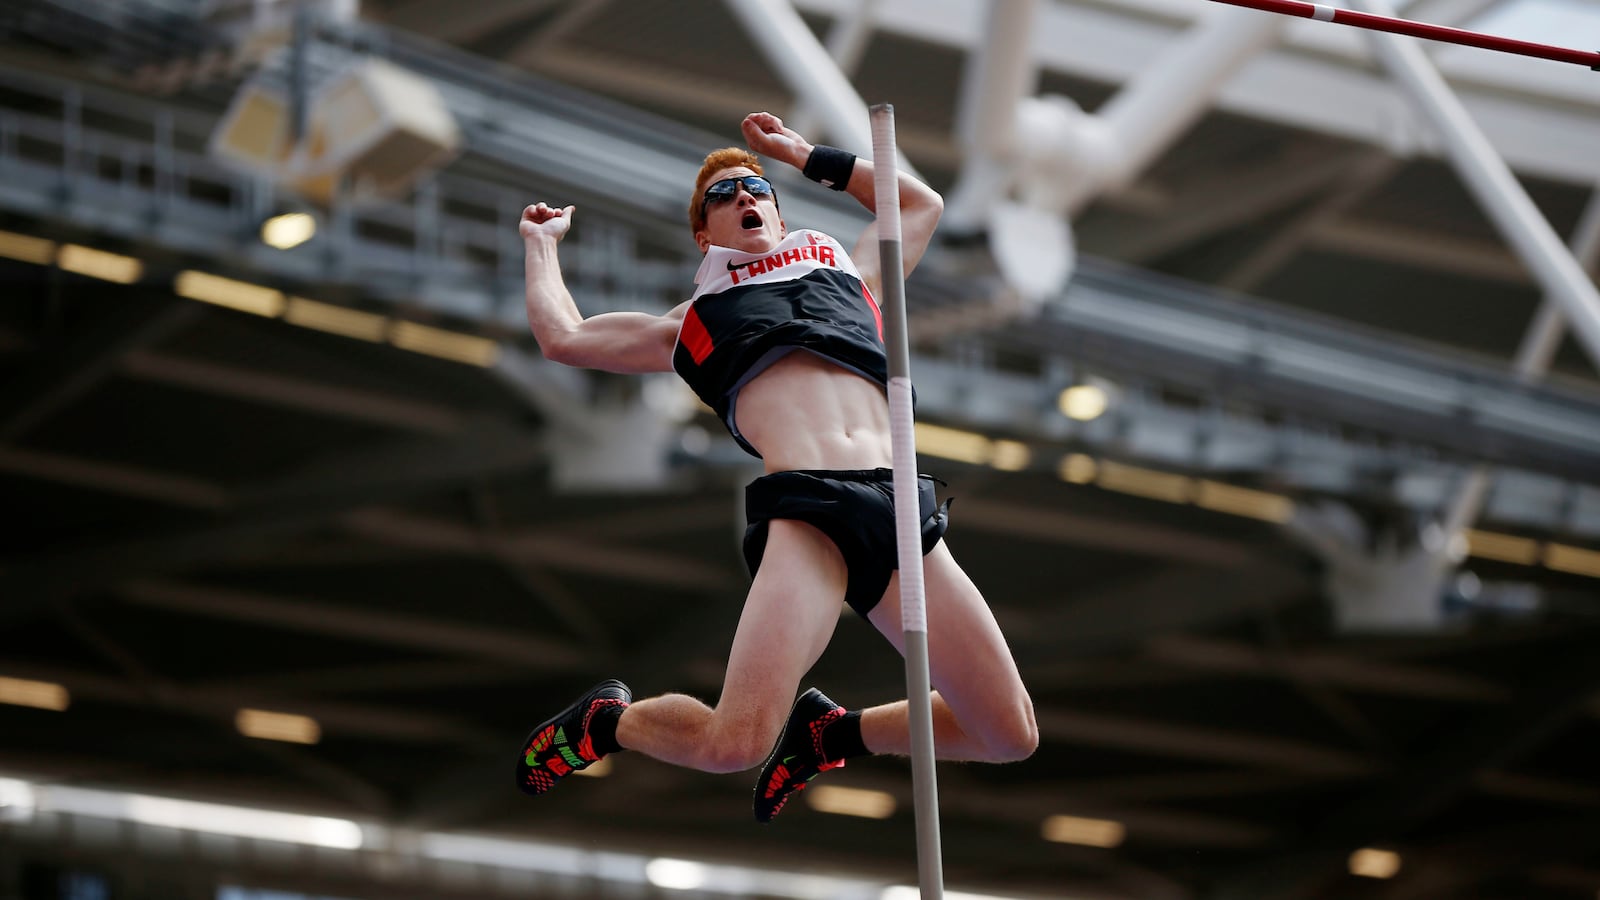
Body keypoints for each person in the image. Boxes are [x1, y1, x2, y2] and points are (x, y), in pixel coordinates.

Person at [514, 111, 1037, 822]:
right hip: (810, 513)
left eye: (756, 188)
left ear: (779, 211)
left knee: (1008, 734)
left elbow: (919, 204)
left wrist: (804, 155)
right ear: (704, 235)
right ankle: (606, 724)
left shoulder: (852, 274)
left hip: (901, 510)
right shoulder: (693, 320)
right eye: (722, 195)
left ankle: (832, 735)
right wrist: (540, 245)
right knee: (733, 744)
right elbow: (565, 337)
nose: (744, 197)